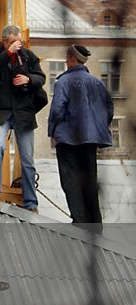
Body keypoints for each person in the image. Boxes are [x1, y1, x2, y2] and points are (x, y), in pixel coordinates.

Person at [48, 44, 113, 227]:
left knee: (70, 181)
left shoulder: (63, 82)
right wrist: (97, 128)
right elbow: (108, 109)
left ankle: (79, 221)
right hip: (90, 141)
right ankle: (95, 224)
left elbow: (57, 110)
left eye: (67, 59)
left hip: (68, 140)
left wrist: (53, 131)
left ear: (72, 60)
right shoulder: (97, 83)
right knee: (90, 180)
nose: (66, 62)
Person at [0, 24, 46, 211]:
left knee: (27, 159)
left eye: (19, 41)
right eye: (13, 42)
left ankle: (31, 202)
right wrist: (7, 54)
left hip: (23, 112)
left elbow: (41, 77)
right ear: (4, 42)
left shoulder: (28, 56)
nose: (17, 45)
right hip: (2, 111)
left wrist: (29, 80)